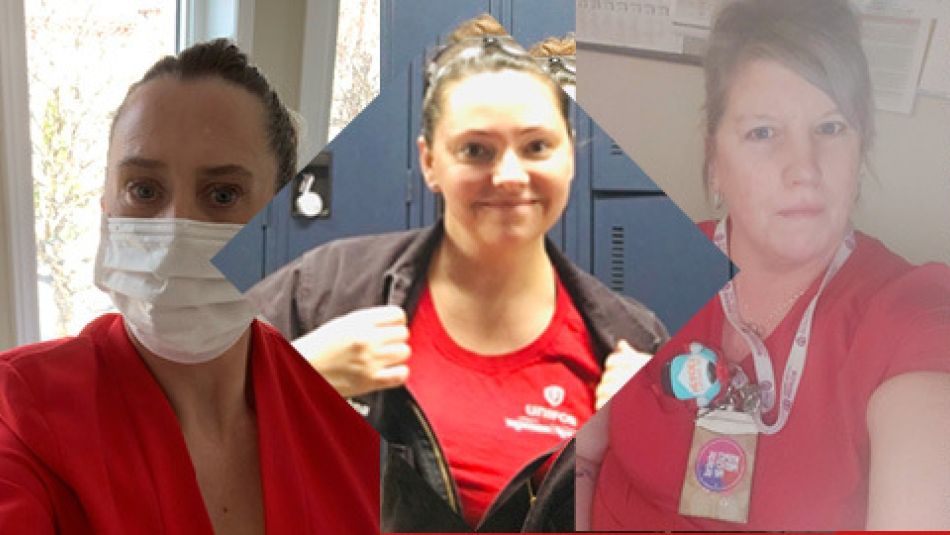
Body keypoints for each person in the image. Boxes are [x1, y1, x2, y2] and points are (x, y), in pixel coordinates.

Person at [246, 14, 666, 532]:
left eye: (537, 146)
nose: (510, 176)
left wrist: (653, 444)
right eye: (475, 150)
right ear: (429, 162)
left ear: (571, 157)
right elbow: (184, 417)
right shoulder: (326, 290)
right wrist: (296, 374)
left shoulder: (631, 339)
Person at [577, 0, 950, 530]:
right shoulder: (642, 270)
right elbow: (582, 459)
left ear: (861, 144)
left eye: (831, 127)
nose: (804, 169)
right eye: (763, 132)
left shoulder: (910, 316)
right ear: (715, 159)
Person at [0, 40, 379, 534]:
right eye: (143, 190)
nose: (175, 227)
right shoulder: (21, 411)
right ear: (106, 208)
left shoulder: (345, 400)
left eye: (222, 194)